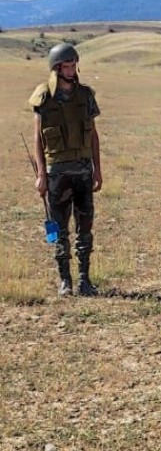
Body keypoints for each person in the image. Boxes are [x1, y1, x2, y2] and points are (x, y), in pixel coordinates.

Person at [28, 43, 103, 296]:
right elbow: (38, 138)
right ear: (56, 68)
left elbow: (94, 136)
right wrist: (41, 174)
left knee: (85, 229)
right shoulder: (43, 96)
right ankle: (65, 281)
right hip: (57, 172)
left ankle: (84, 280)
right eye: (66, 66)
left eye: (73, 66)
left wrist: (97, 170)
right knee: (59, 230)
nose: (71, 70)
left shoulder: (86, 95)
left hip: (83, 171)